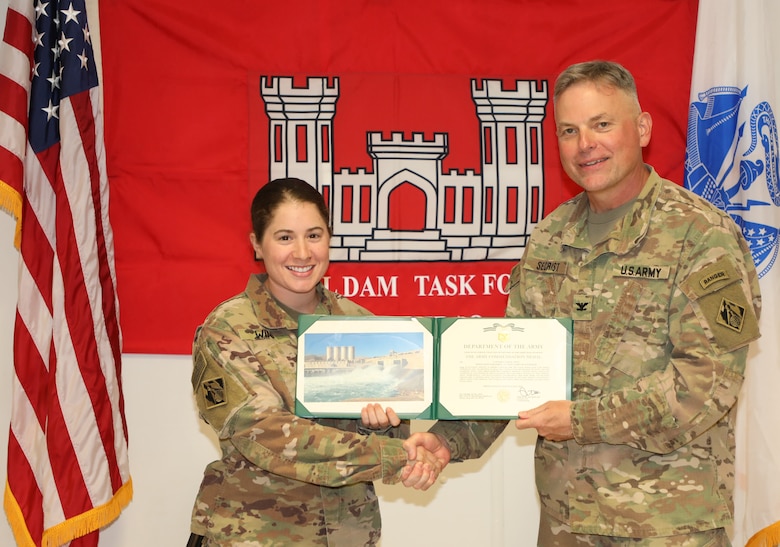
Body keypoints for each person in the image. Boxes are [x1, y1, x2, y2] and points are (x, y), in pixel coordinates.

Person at [502, 60, 761, 545]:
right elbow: (513, 367)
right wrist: (443, 441)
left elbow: (709, 385)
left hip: (669, 525)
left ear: (641, 128)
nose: (586, 145)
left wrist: (578, 420)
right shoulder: (549, 238)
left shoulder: (702, 234)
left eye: (602, 124)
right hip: (567, 521)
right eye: (569, 130)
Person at [187, 177, 443, 546]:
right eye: (285, 237)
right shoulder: (228, 330)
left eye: (314, 235)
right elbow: (265, 433)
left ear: (330, 237)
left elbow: (398, 426)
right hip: (256, 535)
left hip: (349, 533)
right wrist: (395, 456)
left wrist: (384, 428)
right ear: (257, 244)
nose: (303, 253)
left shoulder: (361, 325)